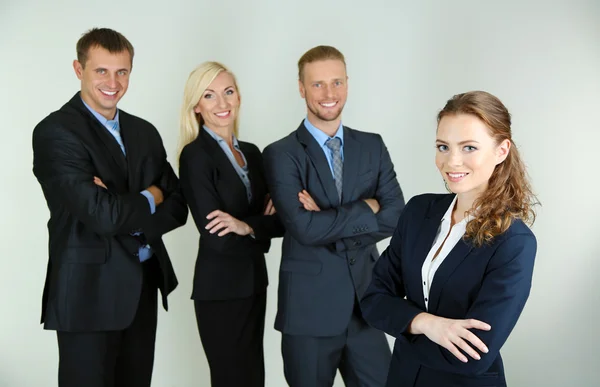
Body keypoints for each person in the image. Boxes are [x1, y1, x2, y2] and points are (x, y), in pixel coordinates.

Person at [31, 28, 188, 387]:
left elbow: (178, 205)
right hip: (88, 293)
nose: (112, 82)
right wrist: (152, 195)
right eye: (101, 70)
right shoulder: (56, 132)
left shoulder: (144, 132)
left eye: (122, 72)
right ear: (78, 69)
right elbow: (103, 216)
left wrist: (124, 203)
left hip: (143, 286)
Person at [361, 90, 538, 387]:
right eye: (443, 146)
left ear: (501, 151)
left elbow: (471, 355)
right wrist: (429, 324)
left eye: (469, 147)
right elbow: (373, 300)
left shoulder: (514, 242)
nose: (452, 161)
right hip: (403, 378)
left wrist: (403, 326)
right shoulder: (418, 211)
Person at [262, 45, 405, 387]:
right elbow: (304, 228)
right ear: (301, 88)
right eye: (318, 84)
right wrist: (367, 207)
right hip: (309, 314)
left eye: (337, 82)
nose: (329, 94)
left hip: (365, 308)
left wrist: (327, 216)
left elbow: (396, 216)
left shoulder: (372, 145)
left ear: (347, 83)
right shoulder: (281, 154)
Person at [177, 61, 285, 387]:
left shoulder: (252, 154)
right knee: (230, 380)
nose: (222, 104)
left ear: (238, 96)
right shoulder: (195, 156)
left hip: (254, 283)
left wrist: (247, 226)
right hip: (220, 290)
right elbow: (217, 238)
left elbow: (279, 223)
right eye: (209, 96)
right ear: (197, 106)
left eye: (228, 92)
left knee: (254, 378)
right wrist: (256, 226)